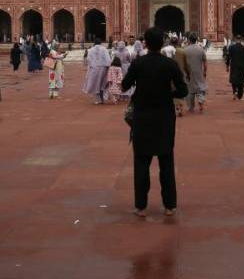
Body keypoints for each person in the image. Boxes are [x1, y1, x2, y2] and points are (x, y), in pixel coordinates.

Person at [122, 27, 187, 217]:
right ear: (163, 43)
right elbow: (183, 90)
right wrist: (168, 93)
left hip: (142, 118)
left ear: (146, 44)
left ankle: (141, 207)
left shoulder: (138, 63)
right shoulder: (170, 64)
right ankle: (169, 206)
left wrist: (139, 88)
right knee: (166, 163)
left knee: (141, 163)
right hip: (164, 119)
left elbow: (125, 85)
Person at [183, 32, 208, 114]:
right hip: (198, 72)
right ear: (196, 40)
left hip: (189, 72)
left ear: (189, 40)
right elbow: (205, 62)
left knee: (190, 90)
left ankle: (191, 107)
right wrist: (205, 71)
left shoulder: (185, 50)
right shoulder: (201, 49)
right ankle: (200, 100)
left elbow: (184, 63)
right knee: (201, 87)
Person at [83, 39, 112, 104]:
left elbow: (88, 59)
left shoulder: (91, 50)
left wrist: (92, 66)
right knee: (102, 84)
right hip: (103, 68)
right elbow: (108, 58)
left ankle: (97, 100)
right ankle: (103, 99)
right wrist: (108, 66)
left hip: (94, 68)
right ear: (101, 43)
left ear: (94, 43)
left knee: (95, 84)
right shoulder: (104, 49)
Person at [225, 35, 244, 100]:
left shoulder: (231, 47)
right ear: (241, 40)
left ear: (235, 40)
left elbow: (228, 57)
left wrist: (227, 66)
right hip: (242, 67)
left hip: (234, 66)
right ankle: (239, 94)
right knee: (241, 80)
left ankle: (234, 91)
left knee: (233, 80)